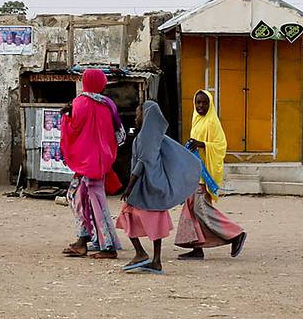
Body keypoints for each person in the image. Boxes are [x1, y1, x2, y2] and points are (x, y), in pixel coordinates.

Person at [116, 101, 203, 274]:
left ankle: (142, 254)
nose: (136, 118)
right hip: (155, 187)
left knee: (127, 215)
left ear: (146, 115)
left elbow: (142, 163)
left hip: (144, 186)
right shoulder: (157, 137)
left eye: (138, 114)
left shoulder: (146, 138)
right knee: (155, 222)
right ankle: (155, 260)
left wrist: (129, 187)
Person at [175, 89, 248, 260]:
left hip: (203, 175)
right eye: (198, 102)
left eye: (204, 102)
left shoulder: (212, 123)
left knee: (201, 209)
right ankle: (196, 247)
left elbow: (220, 146)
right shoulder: (196, 120)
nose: (201, 106)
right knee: (190, 211)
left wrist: (202, 144)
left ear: (210, 104)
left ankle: (235, 234)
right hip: (194, 174)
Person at [60, 68, 123, 260]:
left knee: (88, 201)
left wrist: (66, 116)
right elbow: (119, 134)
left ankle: (107, 246)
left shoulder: (79, 102)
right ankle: (83, 240)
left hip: (86, 161)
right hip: (100, 160)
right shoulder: (108, 104)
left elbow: (73, 128)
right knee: (80, 198)